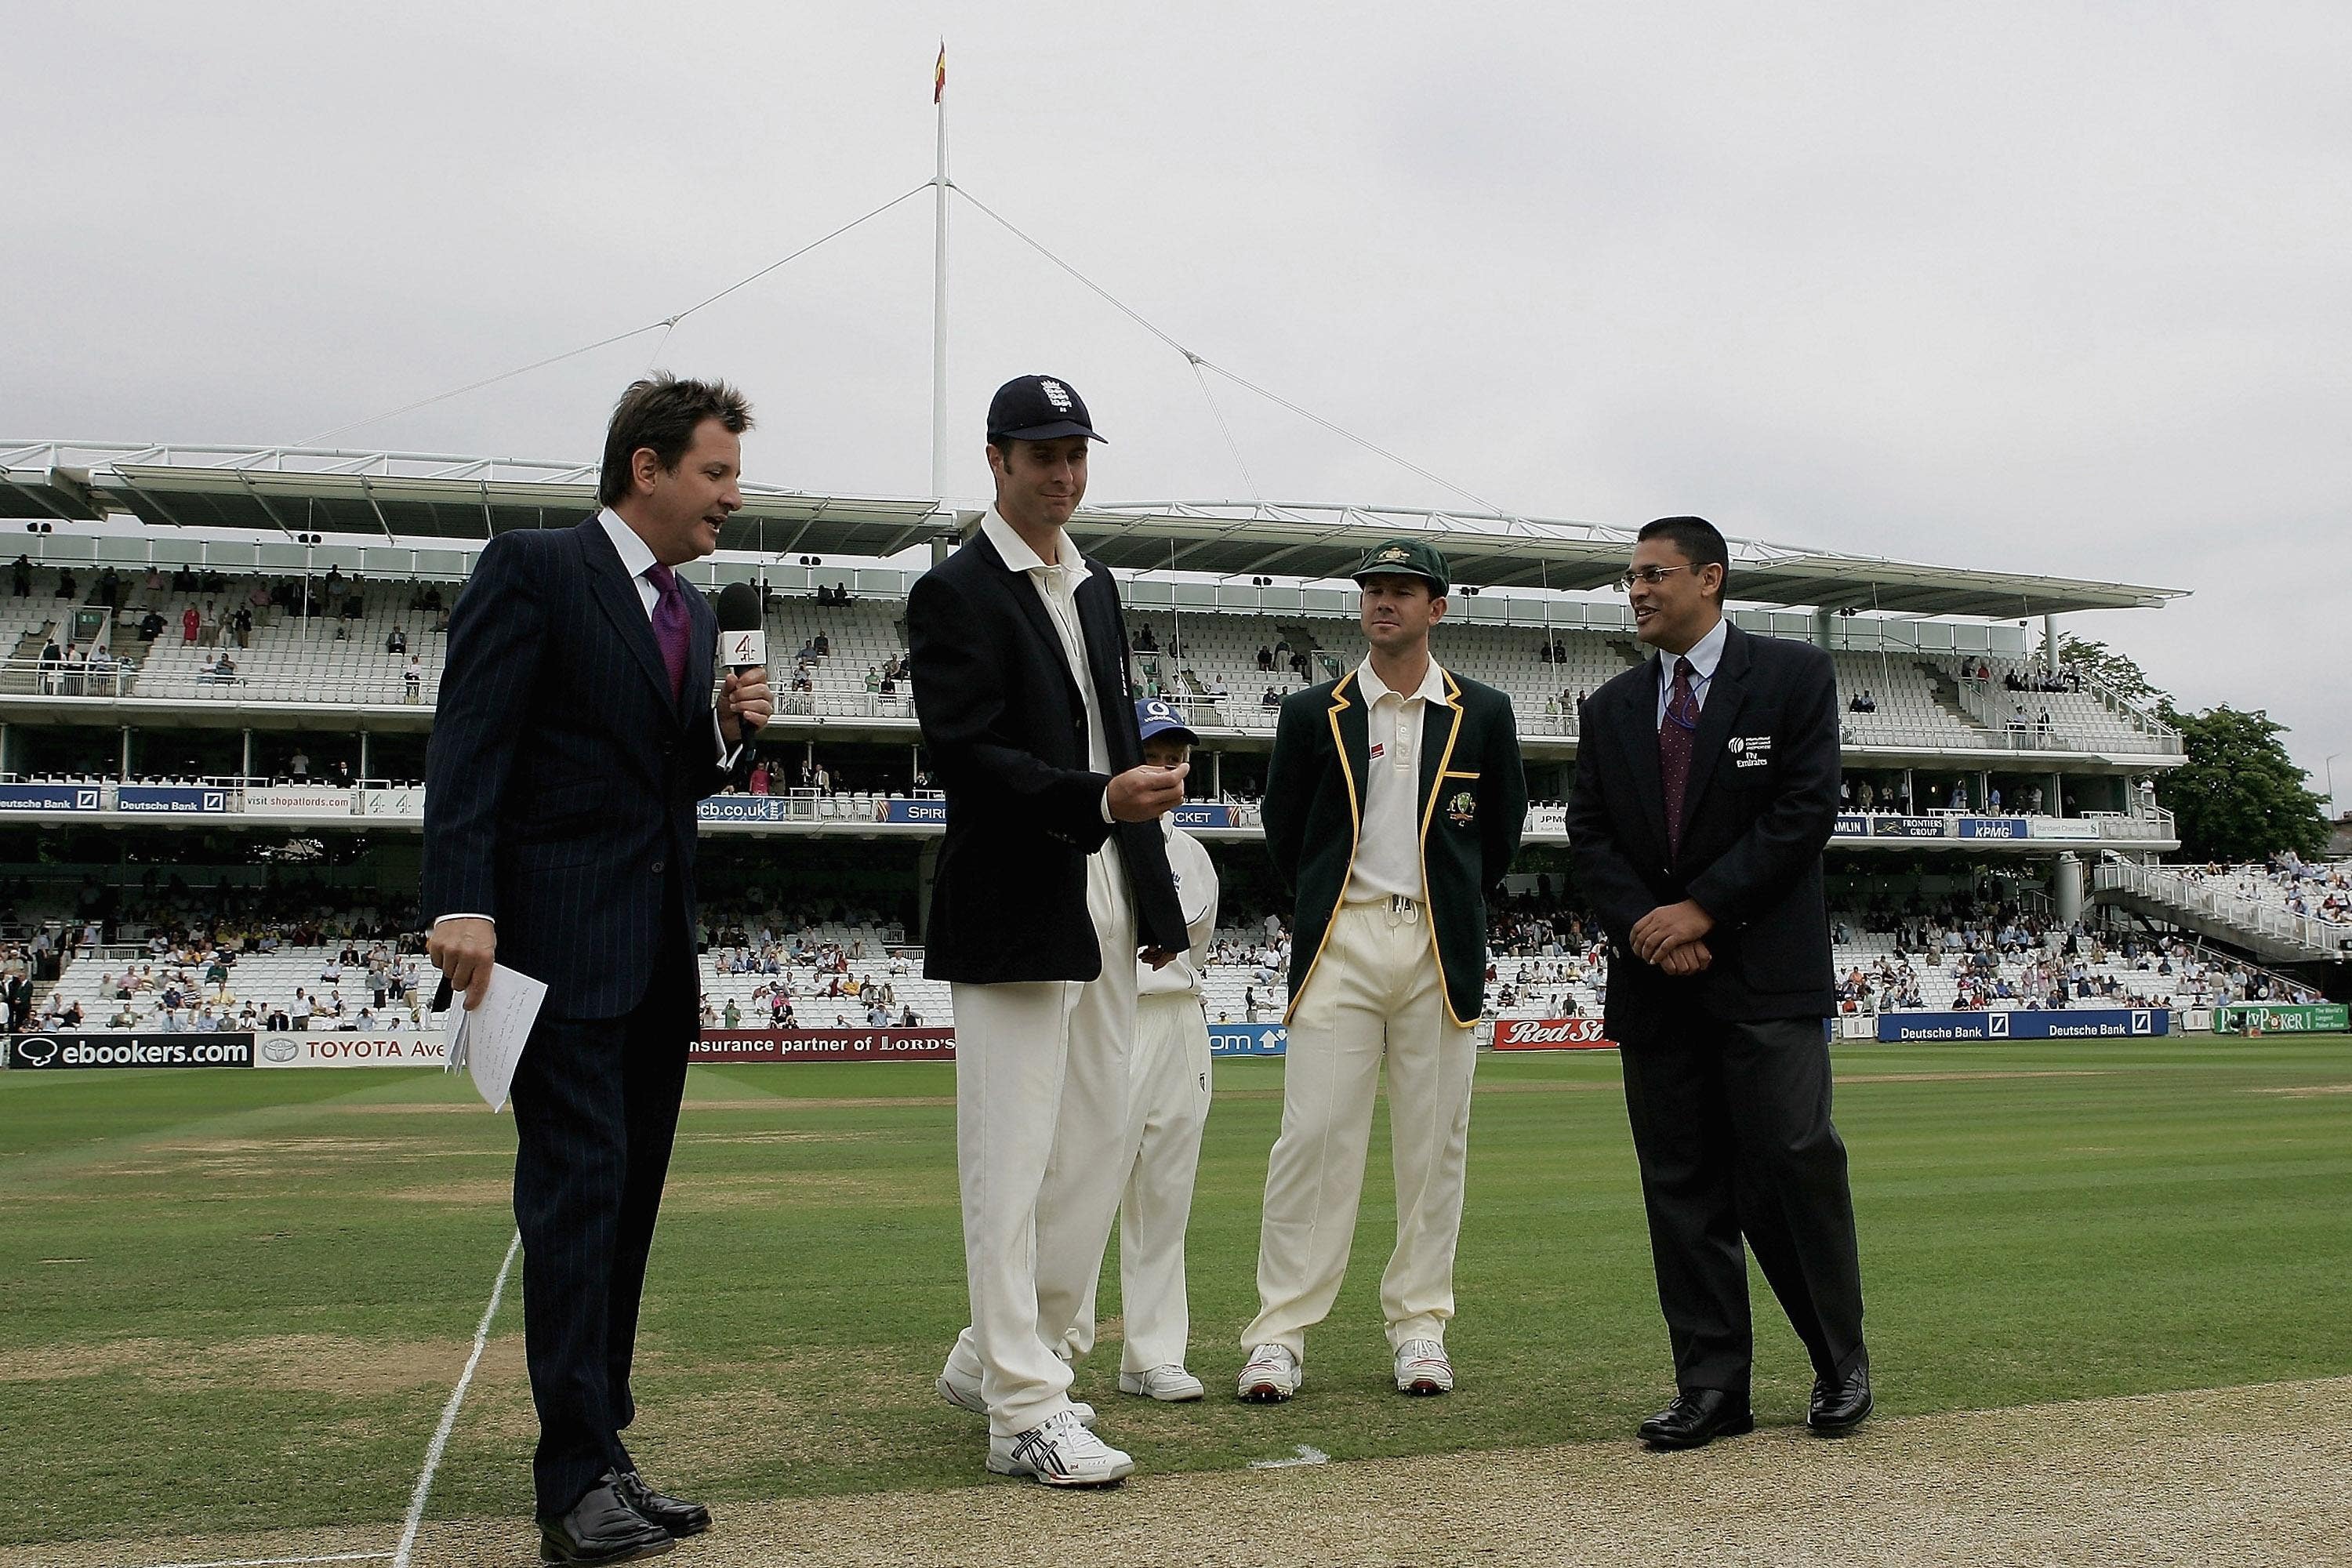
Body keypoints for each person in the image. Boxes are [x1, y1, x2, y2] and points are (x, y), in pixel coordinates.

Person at [423, 375, 767, 1563]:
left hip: (657, 963)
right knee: (575, 1206)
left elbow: (674, 783)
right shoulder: (535, 569)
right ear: (648, 470)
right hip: (555, 953)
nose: (732, 494)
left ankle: (606, 1452)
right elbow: (472, 739)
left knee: (623, 1215)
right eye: (717, 472)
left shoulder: (699, 614)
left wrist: (725, 733)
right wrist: (461, 895)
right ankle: (571, 1484)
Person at [907, 373, 1189, 1489]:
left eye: (1077, 454)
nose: (1064, 475)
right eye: (1042, 455)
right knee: (1011, 1159)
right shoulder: (957, 592)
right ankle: (1024, 1407)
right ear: (996, 461)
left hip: (1109, 888)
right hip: (1013, 897)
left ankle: (1000, 1355)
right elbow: (964, 757)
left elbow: (1119, 730)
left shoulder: (1097, 584)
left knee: (1098, 1148)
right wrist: (1095, 802)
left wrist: (1155, 896)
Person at [1563, 515, 1869, 1451]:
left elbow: (1804, 811)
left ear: (1711, 577)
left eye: (1655, 574)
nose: (1639, 590)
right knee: (1682, 1188)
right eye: (1631, 577)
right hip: (1659, 983)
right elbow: (1591, 834)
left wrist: (1701, 910)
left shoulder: (1792, 675)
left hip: (1765, 977)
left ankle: (1839, 1362)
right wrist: (1656, 932)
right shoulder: (1612, 704)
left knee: (1791, 1163)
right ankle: (1711, 1386)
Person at [1238, 539, 1526, 1403]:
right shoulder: (1309, 711)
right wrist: (1343, 902)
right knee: (1313, 1139)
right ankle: (1279, 1333)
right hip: (1343, 940)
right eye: (1373, 591)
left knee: (1434, 1146)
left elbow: (1498, 834)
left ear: (1438, 607)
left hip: (1440, 944)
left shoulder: (1484, 711)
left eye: (1403, 591)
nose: (1384, 603)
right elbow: (1287, 834)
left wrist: (1445, 901)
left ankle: (1419, 1326)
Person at [1062, 700, 1221, 1404]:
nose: (1164, 769)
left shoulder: (1192, 854)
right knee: (1081, 1194)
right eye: (1152, 755)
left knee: (1166, 1198)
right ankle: (1053, 1351)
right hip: (1108, 1019)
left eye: (1174, 757)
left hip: (1178, 1022)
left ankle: (1153, 1354)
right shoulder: (1085, 843)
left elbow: (1193, 947)